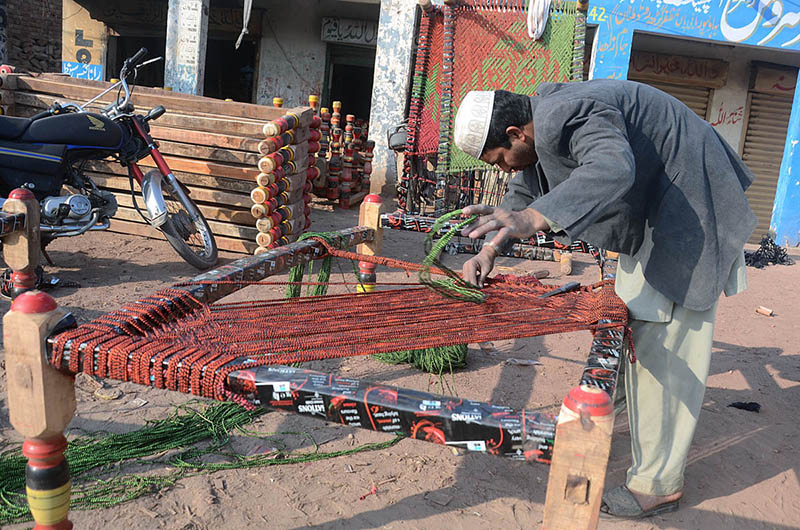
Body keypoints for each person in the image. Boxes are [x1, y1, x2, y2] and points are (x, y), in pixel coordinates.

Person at [452, 81, 756, 519]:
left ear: (517, 133)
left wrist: (534, 217)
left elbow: (613, 168)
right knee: (633, 316)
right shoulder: (542, 120)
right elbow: (527, 185)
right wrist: (489, 250)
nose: (501, 168)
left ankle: (658, 486)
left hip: (692, 205)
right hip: (664, 206)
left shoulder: (562, 115)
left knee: (666, 346)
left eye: (498, 158)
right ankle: (614, 416)